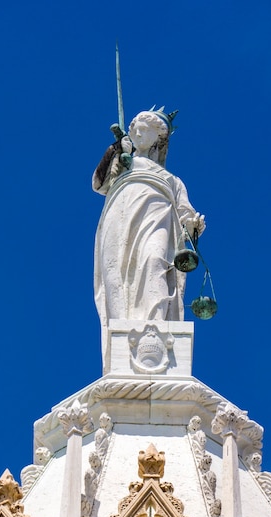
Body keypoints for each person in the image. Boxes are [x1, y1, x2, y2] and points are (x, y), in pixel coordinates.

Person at [92, 109, 205, 346]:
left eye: (144, 129)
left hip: (158, 217)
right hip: (121, 215)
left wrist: (193, 225)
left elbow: (186, 215)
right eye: (134, 129)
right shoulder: (124, 163)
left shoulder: (172, 180)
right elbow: (99, 184)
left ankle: (155, 329)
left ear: (159, 138)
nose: (137, 132)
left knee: (155, 261)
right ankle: (123, 329)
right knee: (119, 271)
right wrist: (114, 151)